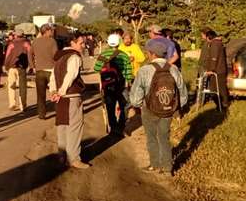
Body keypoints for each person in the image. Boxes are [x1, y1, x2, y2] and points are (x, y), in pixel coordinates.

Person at [129, 39, 188, 176]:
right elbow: (182, 92)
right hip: (168, 109)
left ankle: (154, 164)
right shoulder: (173, 69)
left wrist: (137, 105)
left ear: (152, 54)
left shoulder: (144, 70)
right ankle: (167, 169)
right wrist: (176, 108)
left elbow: (136, 93)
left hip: (149, 109)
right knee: (164, 137)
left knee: (151, 137)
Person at [49, 32, 91, 169]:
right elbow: (70, 76)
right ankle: (73, 158)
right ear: (72, 43)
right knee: (74, 128)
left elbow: (53, 77)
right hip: (71, 96)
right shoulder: (74, 57)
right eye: (81, 43)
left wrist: (54, 92)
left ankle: (62, 155)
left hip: (61, 97)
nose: (83, 46)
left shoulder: (59, 58)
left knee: (62, 126)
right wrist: (60, 92)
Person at [94, 33, 134, 134]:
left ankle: (113, 127)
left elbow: (96, 69)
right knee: (125, 104)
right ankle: (121, 126)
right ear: (119, 43)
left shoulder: (102, 55)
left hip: (107, 86)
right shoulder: (124, 55)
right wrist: (129, 82)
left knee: (110, 106)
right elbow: (129, 73)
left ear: (108, 43)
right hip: (121, 85)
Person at [31, 24, 58, 119]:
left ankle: (41, 114)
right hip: (51, 70)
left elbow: (30, 54)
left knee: (40, 94)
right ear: (47, 31)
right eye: (51, 30)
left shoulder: (35, 42)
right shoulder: (52, 41)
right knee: (54, 91)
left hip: (39, 70)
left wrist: (32, 66)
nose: (52, 32)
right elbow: (56, 55)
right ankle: (58, 111)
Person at [4, 30, 33, 112]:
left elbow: (7, 56)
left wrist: (6, 66)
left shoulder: (11, 44)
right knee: (22, 87)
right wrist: (31, 66)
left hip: (12, 67)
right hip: (22, 68)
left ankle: (12, 104)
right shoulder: (26, 43)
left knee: (11, 86)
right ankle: (22, 105)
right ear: (23, 35)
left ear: (15, 35)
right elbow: (30, 55)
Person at [201, 29, 230, 110]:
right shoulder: (218, 43)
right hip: (220, 70)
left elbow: (214, 58)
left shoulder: (215, 44)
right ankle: (223, 104)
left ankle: (222, 104)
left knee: (214, 89)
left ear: (209, 37)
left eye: (206, 37)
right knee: (221, 87)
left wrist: (211, 70)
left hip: (217, 70)